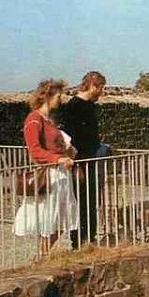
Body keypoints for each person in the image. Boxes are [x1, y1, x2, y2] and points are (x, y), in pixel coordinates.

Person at [13, 79, 79, 256]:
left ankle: (42, 256)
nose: (60, 100)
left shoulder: (49, 120)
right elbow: (34, 151)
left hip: (61, 173)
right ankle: (41, 257)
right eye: (58, 96)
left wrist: (66, 149)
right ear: (47, 96)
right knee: (50, 217)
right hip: (50, 173)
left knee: (61, 218)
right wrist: (57, 158)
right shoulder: (34, 119)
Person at [60, 71, 106, 249]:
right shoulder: (74, 107)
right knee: (80, 202)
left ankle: (90, 239)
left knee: (91, 200)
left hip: (90, 160)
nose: (101, 92)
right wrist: (76, 165)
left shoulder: (88, 106)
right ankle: (79, 241)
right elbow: (70, 140)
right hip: (81, 162)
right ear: (93, 85)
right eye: (101, 87)